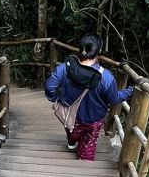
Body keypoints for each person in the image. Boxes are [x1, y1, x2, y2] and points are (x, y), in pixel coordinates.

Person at [44, 33, 135, 161]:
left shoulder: (65, 68)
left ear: (80, 48)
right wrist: (130, 91)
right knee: (87, 147)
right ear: (99, 51)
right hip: (93, 120)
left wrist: (57, 98)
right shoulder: (106, 77)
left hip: (70, 114)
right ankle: (84, 168)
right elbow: (114, 99)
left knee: (70, 126)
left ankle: (72, 140)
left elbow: (49, 87)